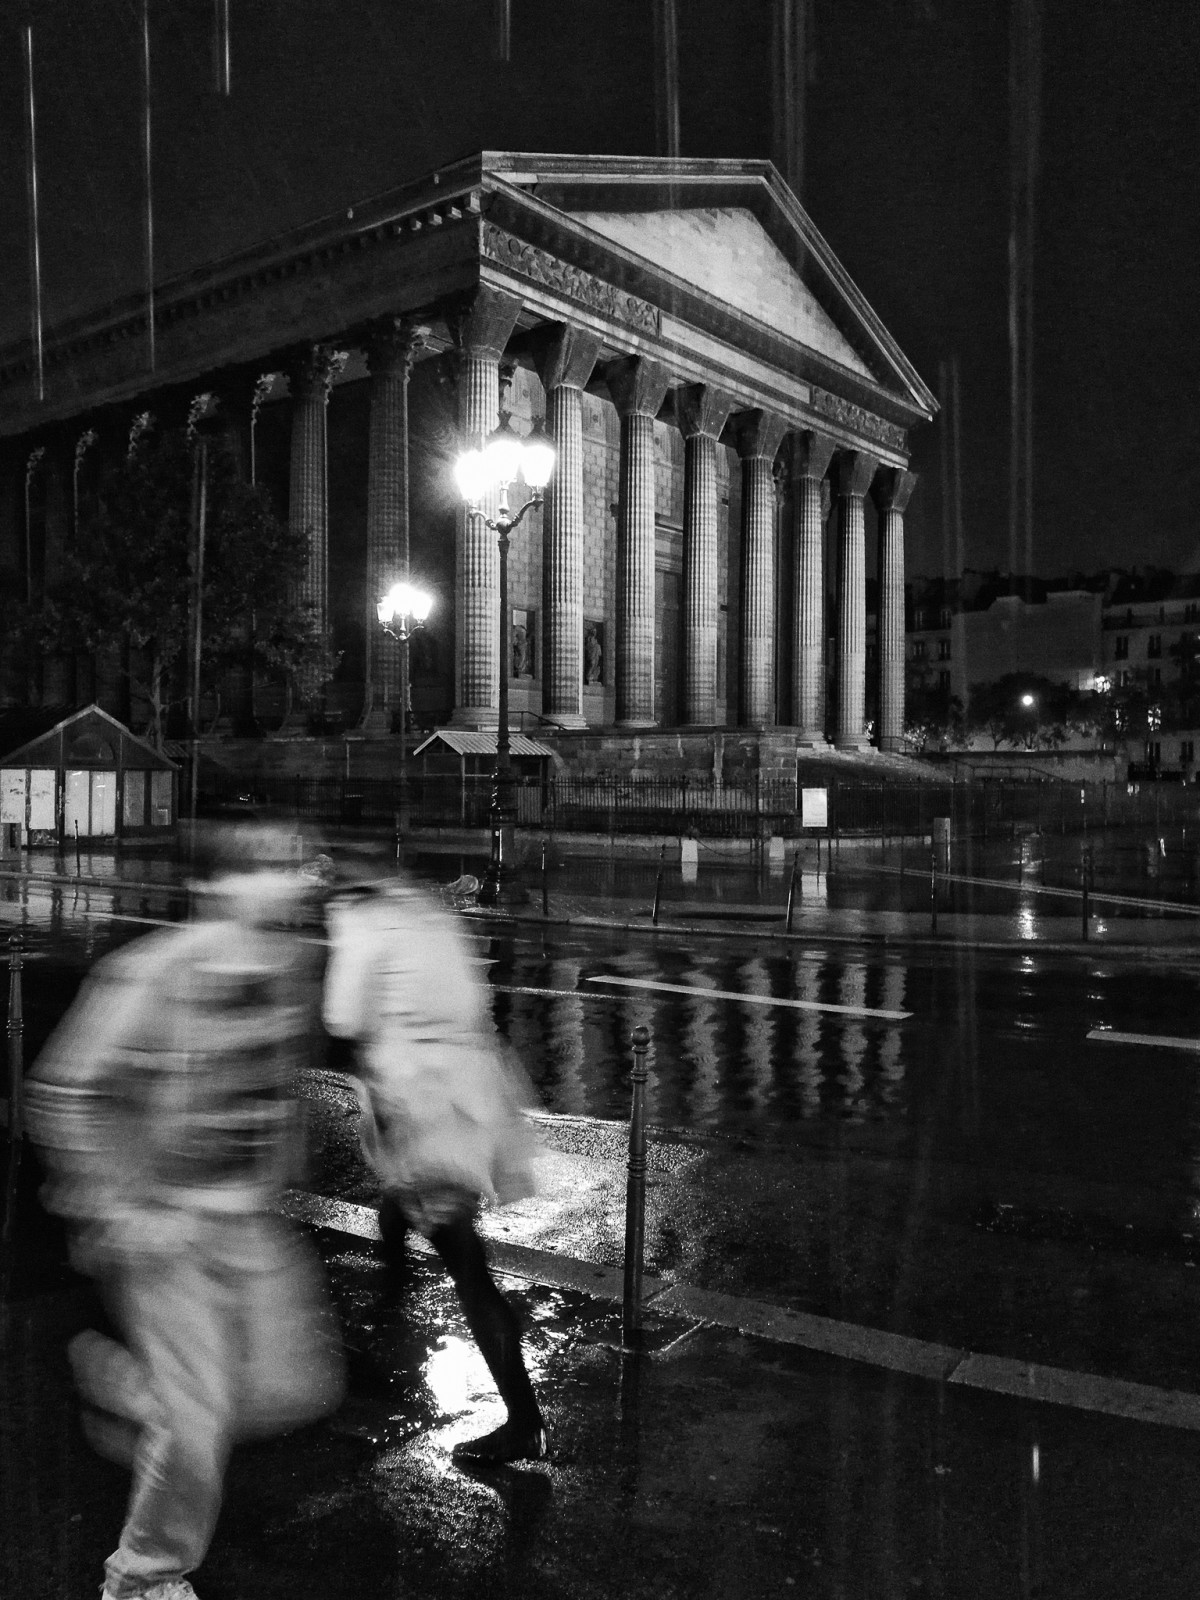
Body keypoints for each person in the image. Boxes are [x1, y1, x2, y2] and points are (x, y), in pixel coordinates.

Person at [25, 865, 344, 1600]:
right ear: (215, 885)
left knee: (295, 1388)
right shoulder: (150, 973)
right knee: (198, 1422)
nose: (291, 876)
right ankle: (142, 1578)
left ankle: (114, 1376)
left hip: (248, 1219)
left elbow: (283, 1076)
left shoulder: (293, 963)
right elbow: (64, 1090)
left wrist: (278, 1164)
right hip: (165, 1223)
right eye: (264, 863)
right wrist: (115, 1207)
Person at [323, 871, 547, 1464]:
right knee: (396, 1214)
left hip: (423, 1103)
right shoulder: (430, 909)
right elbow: (478, 999)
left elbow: (341, 1016)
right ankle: (383, 1334)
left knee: (464, 1261)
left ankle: (524, 1419)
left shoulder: (360, 914)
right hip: (471, 1090)